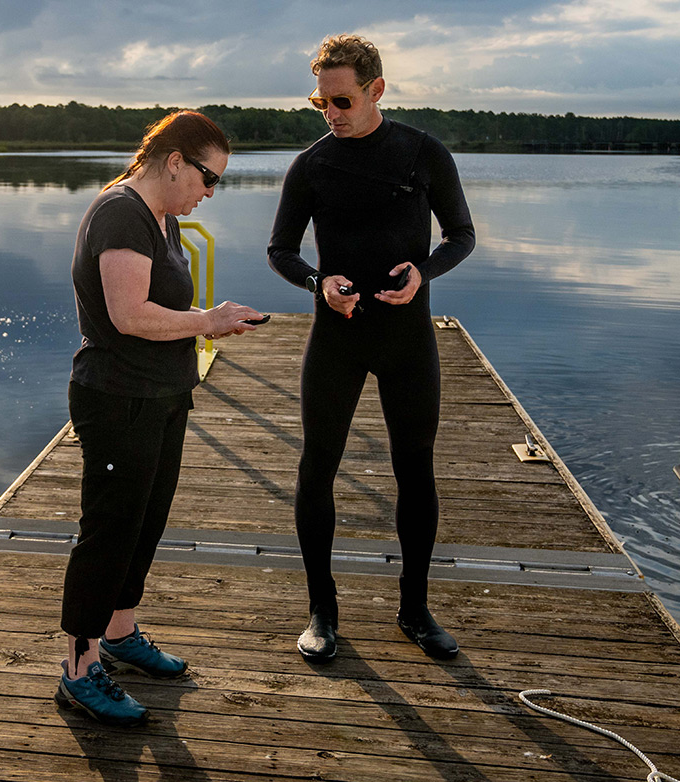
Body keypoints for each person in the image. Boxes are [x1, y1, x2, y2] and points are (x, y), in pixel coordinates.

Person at [267, 34, 475, 663]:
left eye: (342, 99)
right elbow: (281, 250)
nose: (330, 111)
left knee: (416, 469)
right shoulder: (312, 164)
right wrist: (316, 282)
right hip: (336, 337)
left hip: (406, 339)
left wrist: (423, 273)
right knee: (317, 467)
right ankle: (322, 611)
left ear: (376, 89)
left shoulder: (422, 153)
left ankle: (415, 609)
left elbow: (461, 236)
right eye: (320, 101)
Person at [57, 110, 264, 726]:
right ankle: (77, 668)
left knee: (144, 524)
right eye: (209, 178)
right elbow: (128, 314)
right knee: (110, 530)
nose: (209, 193)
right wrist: (210, 319)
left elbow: (155, 302)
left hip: (161, 393)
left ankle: (120, 636)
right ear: (174, 161)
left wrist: (205, 319)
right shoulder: (122, 211)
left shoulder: (161, 217)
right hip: (119, 398)